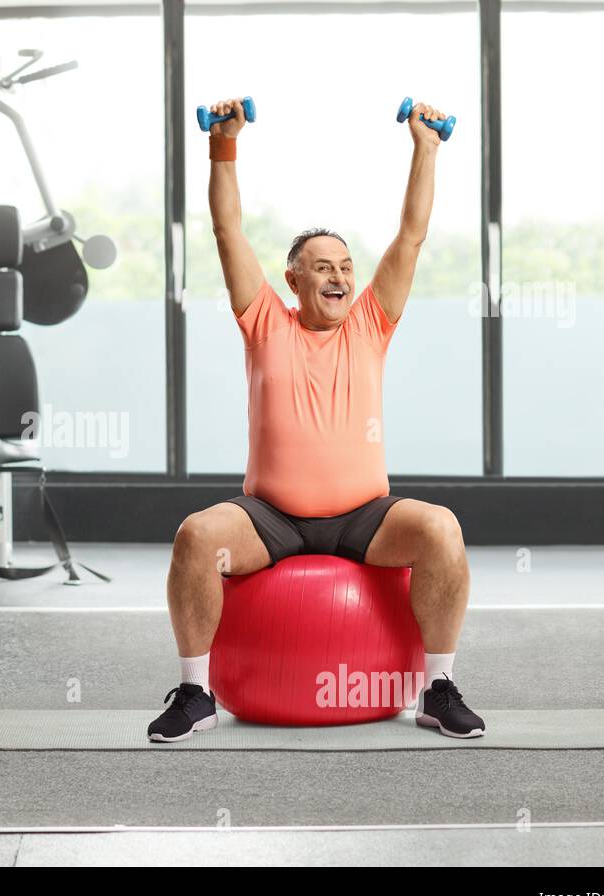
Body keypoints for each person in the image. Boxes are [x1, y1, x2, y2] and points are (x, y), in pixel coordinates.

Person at [149, 98, 485, 743]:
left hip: (366, 516)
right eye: (323, 266)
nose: (339, 276)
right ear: (293, 278)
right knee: (196, 535)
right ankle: (195, 692)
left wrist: (427, 149)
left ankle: (437, 689)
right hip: (269, 518)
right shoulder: (264, 320)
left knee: (441, 528)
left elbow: (411, 235)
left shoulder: (371, 324)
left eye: (345, 267)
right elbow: (228, 234)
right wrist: (223, 147)